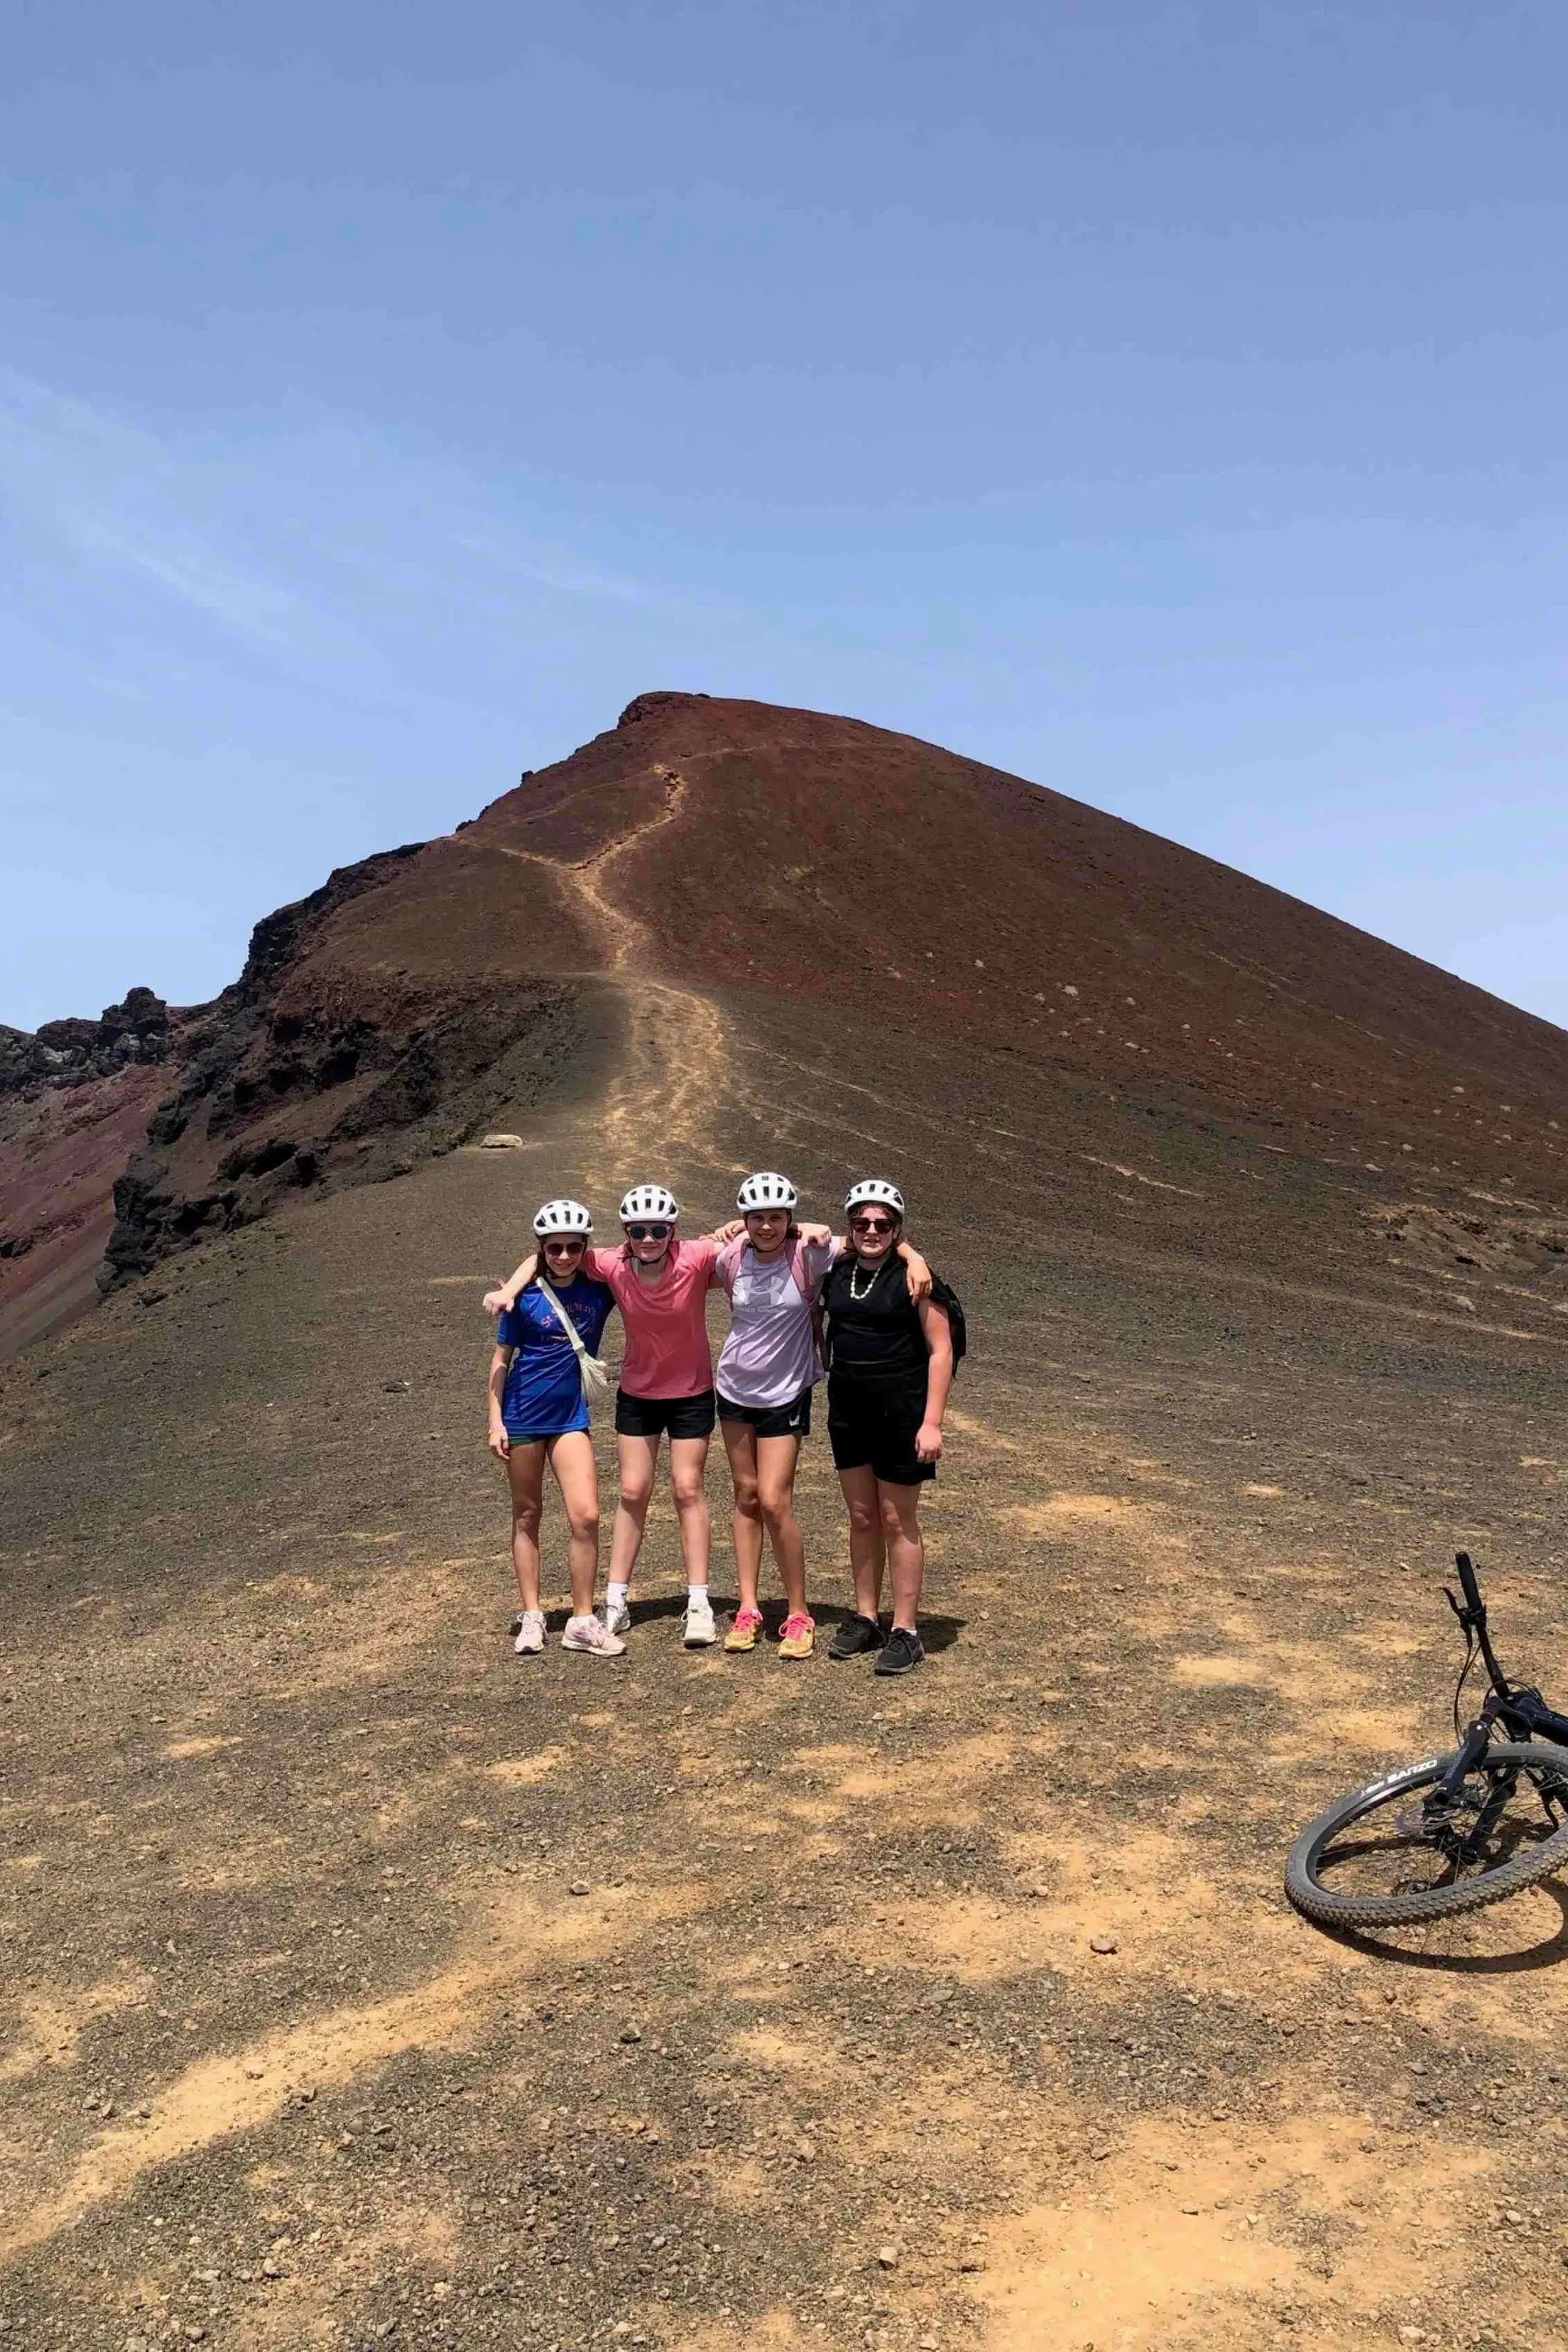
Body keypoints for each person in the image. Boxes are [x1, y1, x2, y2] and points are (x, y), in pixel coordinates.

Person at [485, 1184, 736, 1648]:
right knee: (630, 1491)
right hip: (636, 1392)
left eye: (657, 1230)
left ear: (672, 1230)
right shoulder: (611, 1265)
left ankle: (698, 1602)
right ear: (625, 1235)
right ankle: (613, 1601)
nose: (648, 1238)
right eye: (638, 1231)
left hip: (691, 1392)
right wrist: (511, 1289)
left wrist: (783, 1226)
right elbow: (544, 1257)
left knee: (686, 1488)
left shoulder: (696, 1256)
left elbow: (762, 1243)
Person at [714, 1171, 929, 1662]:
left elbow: (874, 1235)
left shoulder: (812, 1252)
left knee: (774, 1499)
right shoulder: (730, 1255)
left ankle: (798, 1612)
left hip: (787, 1391)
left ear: (789, 1219)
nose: (766, 1227)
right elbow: (672, 1257)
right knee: (745, 1496)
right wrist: (728, 1229)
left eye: (776, 1217)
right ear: (745, 1220)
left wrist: (916, 1257)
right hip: (732, 1389)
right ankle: (748, 1607)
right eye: (756, 1218)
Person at [821, 1179, 953, 1676]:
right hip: (848, 1410)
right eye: (861, 1223)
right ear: (850, 1229)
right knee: (861, 1516)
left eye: (882, 1224)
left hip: (901, 1412)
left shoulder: (918, 1278)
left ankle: (906, 1630)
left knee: (898, 1520)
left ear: (897, 1229)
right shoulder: (837, 1270)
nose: (871, 1230)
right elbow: (799, 1234)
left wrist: (932, 1423)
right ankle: (865, 1617)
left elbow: (941, 1352)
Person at [486, 1199, 625, 1658]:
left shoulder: (600, 1290)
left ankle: (582, 1621)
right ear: (542, 1249)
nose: (563, 1256)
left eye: (572, 1247)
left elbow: (638, 1253)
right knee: (527, 1515)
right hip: (522, 1416)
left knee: (585, 1515)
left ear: (584, 1248)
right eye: (553, 1248)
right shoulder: (522, 1298)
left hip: (571, 1419)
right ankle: (532, 1613)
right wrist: (495, 1422)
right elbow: (501, 1363)